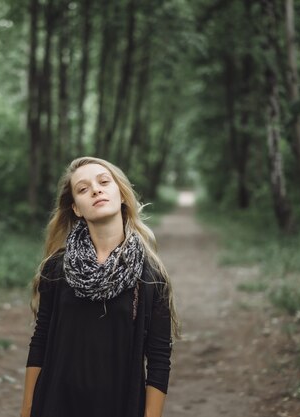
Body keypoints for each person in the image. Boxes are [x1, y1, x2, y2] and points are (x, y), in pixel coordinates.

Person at [20, 156, 178, 417]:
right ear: (77, 209)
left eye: (104, 181)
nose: (95, 189)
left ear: (122, 195)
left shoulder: (150, 275)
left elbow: (159, 359)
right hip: (55, 405)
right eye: (83, 189)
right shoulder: (57, 269)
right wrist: (27, 410)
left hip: (119, 406)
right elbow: (40, 342)